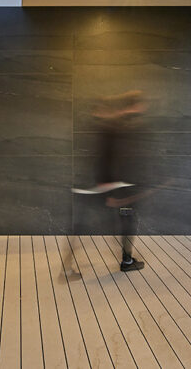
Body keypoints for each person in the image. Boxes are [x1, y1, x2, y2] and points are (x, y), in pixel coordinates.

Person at [65, 90, 149, 277]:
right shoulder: (112, 128)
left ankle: (125, 259)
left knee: (95, 223)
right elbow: (108, 159)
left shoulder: (108, 126)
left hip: (102, 186)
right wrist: (109, 188)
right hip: (109, 187)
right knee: (122, 221)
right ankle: (126, 260)